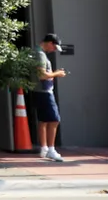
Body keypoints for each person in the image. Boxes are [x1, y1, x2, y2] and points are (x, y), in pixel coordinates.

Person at [35, 33, 68, 162]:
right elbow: (42, 75)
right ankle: (51, 149)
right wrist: (57, 74)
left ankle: (44, 148)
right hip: (44, 91)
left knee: (44, 120)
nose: (53, 50)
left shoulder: (36, 52)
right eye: (54, 47)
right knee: (54, 119)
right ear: (49, 43)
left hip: (39, 90)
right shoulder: (41, 55)